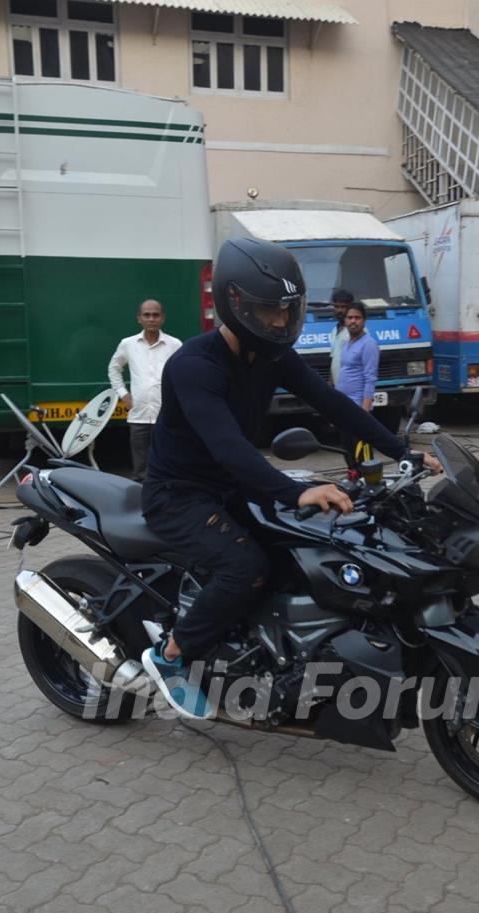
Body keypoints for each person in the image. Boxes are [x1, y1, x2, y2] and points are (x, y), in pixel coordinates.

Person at [140, 238, 441, 718]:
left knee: (305, 549)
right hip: (180, 496)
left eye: (286, 310)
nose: (279, 322)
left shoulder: (273, 357)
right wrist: (297, 491)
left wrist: (403, 450)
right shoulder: (195, 366)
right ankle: (170, 656)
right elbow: (230, 450)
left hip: (230, 488)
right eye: (268, 312)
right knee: (246, 567)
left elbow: (333, 403)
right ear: (234, 303)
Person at [108, 300, 182, 482]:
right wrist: (122, 393)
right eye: (146, 315)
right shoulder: (128, 344)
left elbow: (184, 373)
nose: (151, 319)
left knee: (168, 462)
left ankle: (167, 500)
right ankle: (141, 501)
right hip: (138, 415)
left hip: (165, 414)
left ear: (162, 318)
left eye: (155, 315)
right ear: (139, 318)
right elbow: (114, 368)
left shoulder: (174, 345)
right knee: (140, 469)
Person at [336, 301, 381, 467]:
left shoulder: (368, 344)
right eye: (350, 317)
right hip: (345, 408)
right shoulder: (346, 343)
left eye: (357, 318)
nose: (353, 321)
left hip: (358, 409)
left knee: (362, 458)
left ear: (364, 320)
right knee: (348, 453)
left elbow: (370, 378)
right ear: (345, 320)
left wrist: (365, 410)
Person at [329, 288, 354, 385]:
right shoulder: (335, 331)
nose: (339, 310)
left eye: (343, 307)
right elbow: (334, 362)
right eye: (336, 306)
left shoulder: (357, 332)